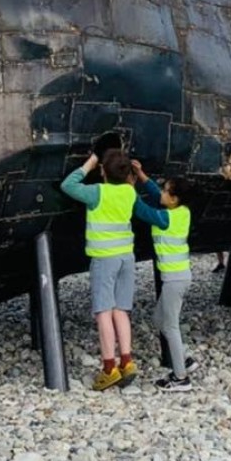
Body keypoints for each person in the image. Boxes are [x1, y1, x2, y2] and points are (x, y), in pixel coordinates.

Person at [60, 147, 170, 391]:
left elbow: (68, 185)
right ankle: (127, 361)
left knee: (103, 312)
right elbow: (146, 209)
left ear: (103, 171)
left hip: (104, 260)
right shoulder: (129, 194)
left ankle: (109, 368)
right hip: (126, 258)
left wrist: (89, 163)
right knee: (121, 310)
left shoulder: (97, 192)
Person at [131, 161, 197, 392]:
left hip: (174, 280)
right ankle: (185, 359)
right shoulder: (180, 212)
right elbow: (155, 195)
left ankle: (180, 378)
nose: (162, 193)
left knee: (170, 327)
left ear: (175, 198)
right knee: (159, 321)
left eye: (166, 190)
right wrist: (140, 174)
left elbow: (141, 210)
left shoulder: (166, 218)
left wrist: (126, 189)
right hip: (180, 277)